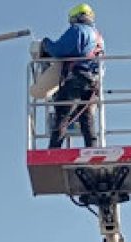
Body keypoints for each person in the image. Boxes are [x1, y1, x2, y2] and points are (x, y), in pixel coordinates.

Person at [41, 4, 104, 148]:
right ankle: (92, 149)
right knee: (86, 118)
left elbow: (60, 50)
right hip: (93, 82)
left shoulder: (78, 30)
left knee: (63, 115)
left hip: (77, 78)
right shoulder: (99, 37)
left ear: (75, 18)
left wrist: (46, 44)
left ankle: (54, 150)